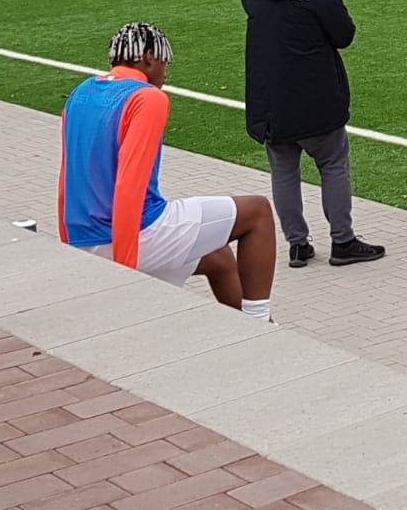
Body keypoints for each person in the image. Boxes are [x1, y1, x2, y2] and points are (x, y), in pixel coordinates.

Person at [59, 23, 277, 320]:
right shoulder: (147, 98)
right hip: (135, 236)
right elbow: (129, 187)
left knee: (219, 257)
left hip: (84, 239)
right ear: (149, 58)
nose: (165, 72)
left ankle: (250, 326)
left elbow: (67, 178)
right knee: (258, 211)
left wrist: (68, 247)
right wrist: (123, 273)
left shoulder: (80, 93)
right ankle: (259, 321)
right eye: (164, 63)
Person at [242, 0, 384, 267]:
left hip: (270, 101)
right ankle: (342, 240)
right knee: (333, 165)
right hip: (315, 96)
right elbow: (344, 34)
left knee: (283, 172)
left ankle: (297, 244)